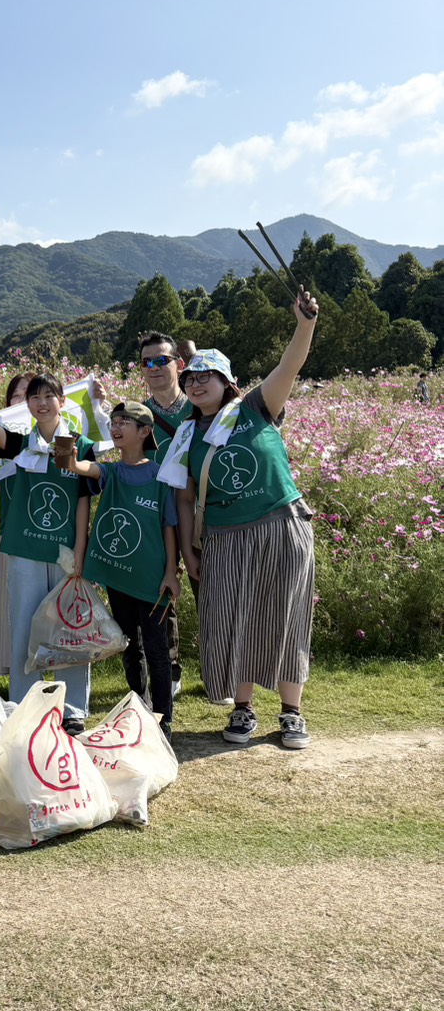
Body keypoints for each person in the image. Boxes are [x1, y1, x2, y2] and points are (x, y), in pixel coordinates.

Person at [163, 292, 320, 749]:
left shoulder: (255, 408)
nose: (196, 384)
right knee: (232, 620)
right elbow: (185, 498)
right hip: (224, 536)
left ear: (227, 381)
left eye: (206, 376)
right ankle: (243, 708)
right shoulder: (187, 434)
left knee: (287, 616)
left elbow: (290, 365)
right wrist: (189, 551)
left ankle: (291, 713)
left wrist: (305, 324)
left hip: (281, 524)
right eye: (190, 378)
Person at [0, 372, 95, 732]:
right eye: (35, 397)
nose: (42, 403)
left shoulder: (81, 446)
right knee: (24, 626)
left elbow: (83, 502)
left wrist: (80, 551)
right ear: (28, 405)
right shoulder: (21, 445)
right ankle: (24, 705)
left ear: (63, 401)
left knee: (69, 627)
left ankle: (72, 709)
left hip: (64, 553)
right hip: (24, 549)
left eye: (49, 396)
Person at [62, 402, 181, 739]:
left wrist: (171, 572)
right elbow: (80, 467)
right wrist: (67, 449)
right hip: (120, 577)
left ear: (144, 431)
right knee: (129, 646)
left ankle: (163, 719)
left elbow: (169, 526)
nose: (115, 427)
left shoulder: (160, 475)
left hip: (153, 581)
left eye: (124, 422)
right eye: (113, 422)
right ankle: (139, 709)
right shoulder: (111, 472)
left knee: (157, 650)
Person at [138, 332, 193, 699]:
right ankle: (169, 669)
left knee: (213, 591)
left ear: (179, 364)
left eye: (162, 360)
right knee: (160, 590)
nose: (154, 368)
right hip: (156, 513)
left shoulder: (200, 407)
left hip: (200, 511)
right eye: (147, 362)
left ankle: (223, 670)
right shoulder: (138, 414)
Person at [0, 374, 32, 678]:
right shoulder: (2, 437)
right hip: (12, 533)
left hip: (51, 535)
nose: (24, 402)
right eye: (17, 396)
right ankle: (19, 675)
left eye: (32, 394)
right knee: (14, 608)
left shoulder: (58, 436)